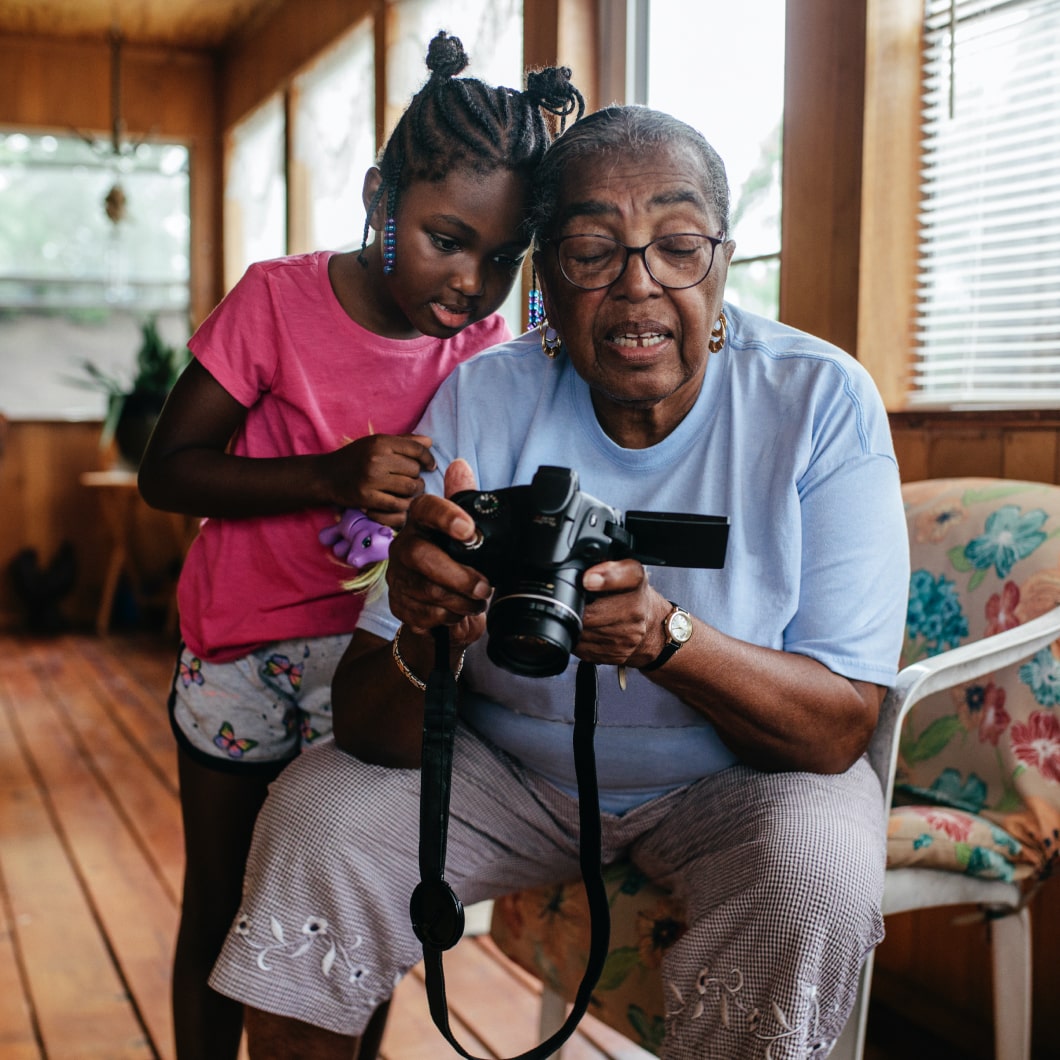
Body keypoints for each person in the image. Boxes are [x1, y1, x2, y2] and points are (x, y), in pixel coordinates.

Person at [207, 105, 911, 1059]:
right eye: (590, 250)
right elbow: (368, 725)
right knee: (317, 814)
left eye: (677, 245)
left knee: (818, 865)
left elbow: (838, 729)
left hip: (740, 781)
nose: (638, 286)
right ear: (543, 275)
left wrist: (667, 640)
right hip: (507, 770)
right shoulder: (487, 395)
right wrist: (421, 625)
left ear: (725, 260)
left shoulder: (818, 401)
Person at [137, 31, 583, 1060]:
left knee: (356, 909)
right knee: (223, 897)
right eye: (444, 237)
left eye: (501, 255)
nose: (470, 280)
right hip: (241, 650)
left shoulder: (486, 348)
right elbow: (171, 470)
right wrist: (328, 474)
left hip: (380, 661)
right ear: (381, 196)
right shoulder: (276, 303)